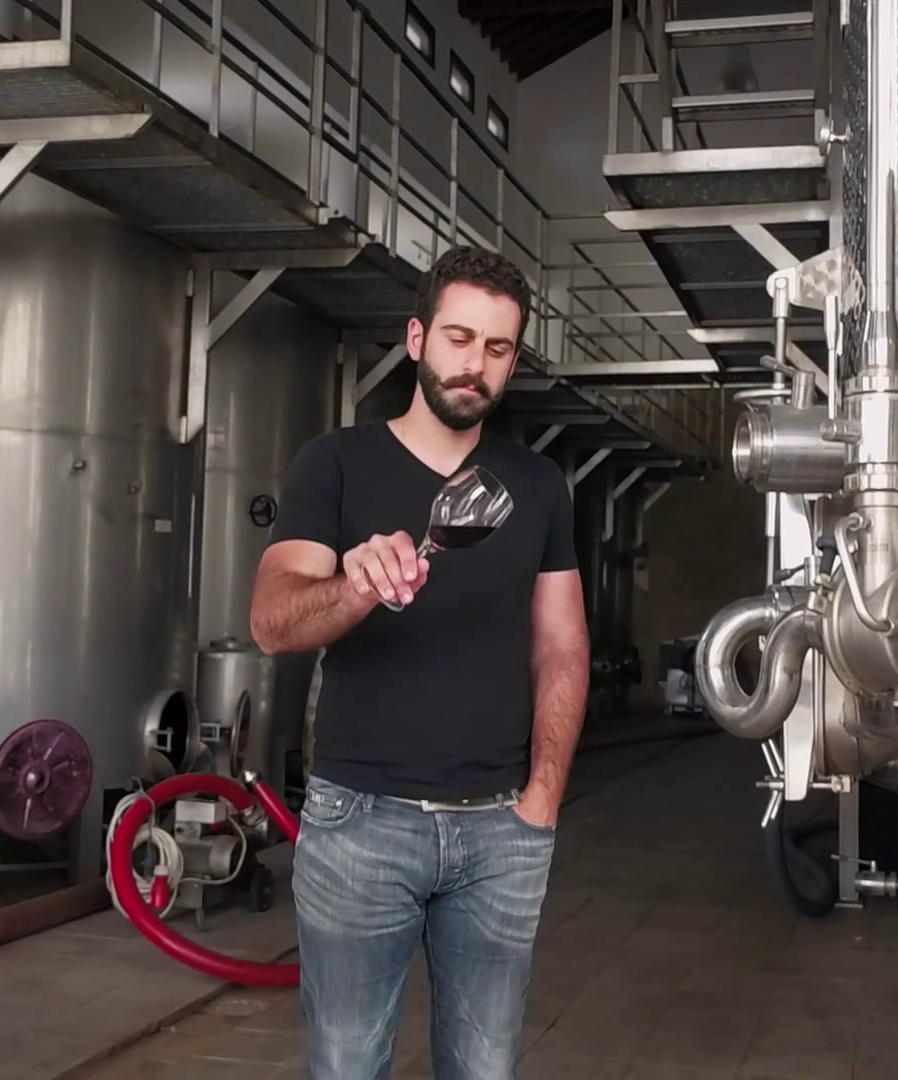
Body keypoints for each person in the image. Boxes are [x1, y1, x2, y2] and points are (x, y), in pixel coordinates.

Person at [249, 246, 590, 1080]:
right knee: (346, 1065)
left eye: (498, 349)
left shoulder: (536, 485)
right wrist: (354, 586)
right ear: (417, 338)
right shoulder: (334, 464)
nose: (474, 365)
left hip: (500, 831)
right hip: (360, 823)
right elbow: (272, 620)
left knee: (483, 1069)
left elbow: (563, 647)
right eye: (459, 338)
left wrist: (540, 802)